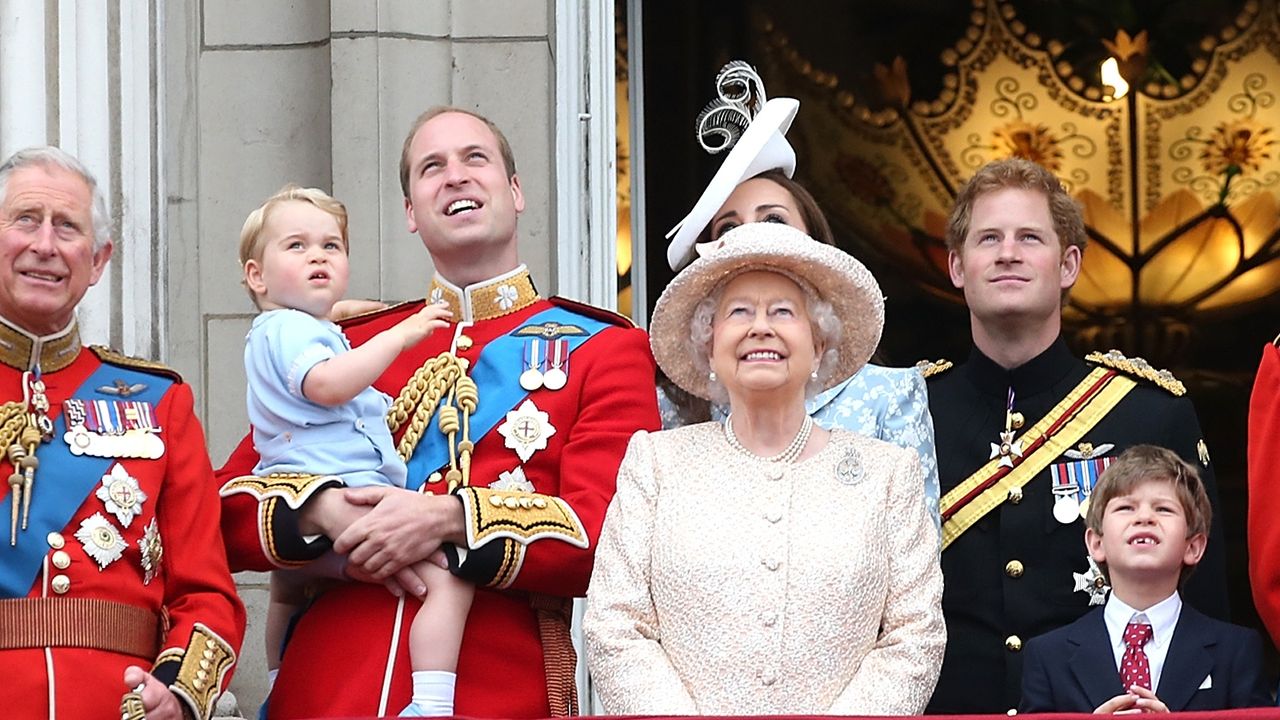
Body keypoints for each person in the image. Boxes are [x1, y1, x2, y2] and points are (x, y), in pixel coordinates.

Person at [217, 107, 662, 719]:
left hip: (491, 697)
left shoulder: (603, 349)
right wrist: (320, 509)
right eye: (432, 168)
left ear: (515, 191)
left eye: (474, 158)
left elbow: (608, 540)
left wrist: (448, 520)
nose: (454, 176)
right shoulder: (348, 344)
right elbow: (223, 511)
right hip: (324, 692)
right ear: (410, 212)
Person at [584, 221, 944, 715]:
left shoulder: (887, 475)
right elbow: (615, 623)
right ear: (709, 346)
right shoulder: (656, 463)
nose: (761, 327)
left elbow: (915, 633)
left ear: (819, 345)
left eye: (783, 312)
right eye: (738, 312)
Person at [925, 157, 1229, 714]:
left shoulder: (1148, 411)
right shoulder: (910, 412)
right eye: (988, 238)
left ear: (1068, 265)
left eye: (1029, 237)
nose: (1008, 252)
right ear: (957, 267)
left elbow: (1205, 609)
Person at [0, 146, 245, 719]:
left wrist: (180, 694)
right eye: (25, 220)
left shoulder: (161, 402)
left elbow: (206, 594)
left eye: (67, 227)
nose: (45, 245)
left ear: (99, 259)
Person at [660, 62, 939, 526]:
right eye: (728, 227)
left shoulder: (888, 394)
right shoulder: (674, 405)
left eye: (773, 221)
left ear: (814, 242)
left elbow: (917, 556)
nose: (753, 238)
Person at [236, 185, 470, 716]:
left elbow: (311, 331)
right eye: (296, 246)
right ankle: (433, 703)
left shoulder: (288, 326)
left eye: (331, 247)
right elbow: (328, 384)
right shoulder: (301, 333)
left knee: (286, 594)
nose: (318, 255)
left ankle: (278, 679)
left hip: (300, 499)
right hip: (347, 490)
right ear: (257, 276)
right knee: (449, 578)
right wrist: (397, 335)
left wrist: (343, 313)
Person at [1020, 445, 1269, 713]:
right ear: (1096, 543)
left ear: (1193, 547)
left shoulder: (1235, 650)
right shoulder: (1048, 655)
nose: (1144, 517)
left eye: (1163, 509)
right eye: (1126, 507)